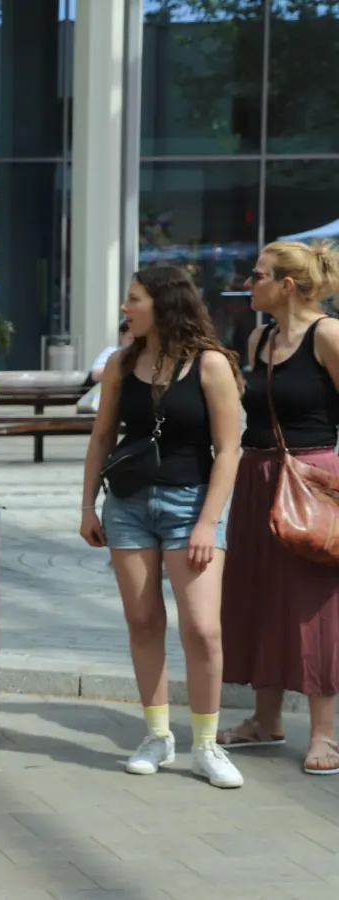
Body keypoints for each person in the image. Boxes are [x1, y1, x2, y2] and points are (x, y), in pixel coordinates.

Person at [78, 266, 245, 789]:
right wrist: (87, 506)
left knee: (202, 627)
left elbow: (230, 449)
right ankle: (157, 735)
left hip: (190, 504)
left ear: (164, 303)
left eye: (133, 299)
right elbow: (102, 436)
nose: (125, 308)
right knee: (143, 620)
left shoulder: (211, 364)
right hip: (127, 505)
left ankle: (207, 744)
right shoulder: (122, 364)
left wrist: (208, 522)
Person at [217, 239, 339, 776]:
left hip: (312, 476)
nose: (250, 282)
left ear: (286, 286)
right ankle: (265, 721)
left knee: (313, 605)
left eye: (259, 274)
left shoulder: (329, 334)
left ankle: (325, 733)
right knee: (259, 595)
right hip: (256, 473)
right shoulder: (259, 337)